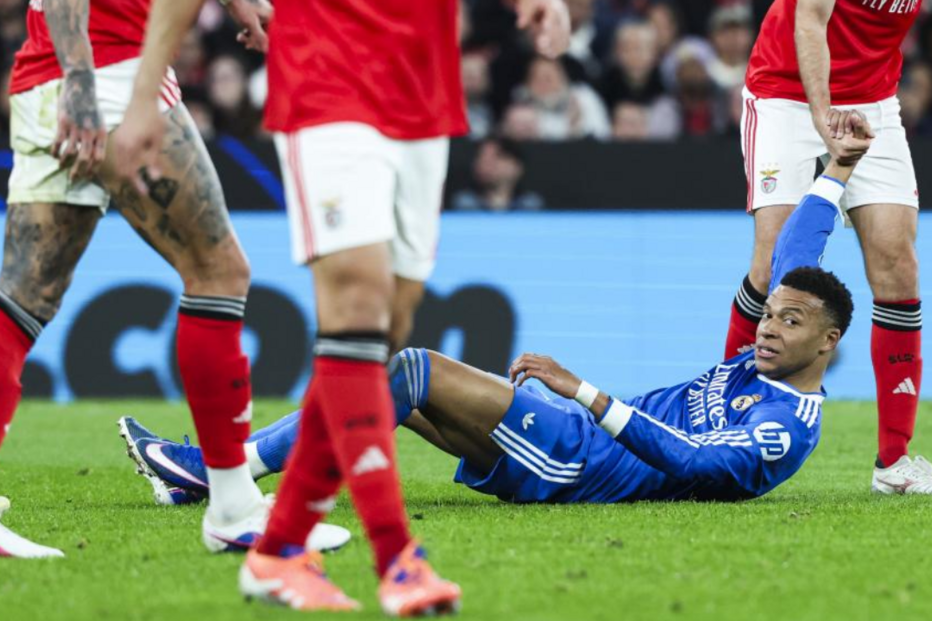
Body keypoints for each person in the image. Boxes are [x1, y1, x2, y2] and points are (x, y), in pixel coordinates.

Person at [117, 114, 877, 515]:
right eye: (771, 316)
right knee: (394, 386)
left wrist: (582, 391)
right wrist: (837, 171)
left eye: (789, 322)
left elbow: (693, 462)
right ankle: (228, 477)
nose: (770, 327)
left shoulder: (783, 428)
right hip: (574, 444)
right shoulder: (771, 350)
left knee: (407, 370)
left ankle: (221, 472)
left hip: (580, 463)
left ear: (829, 343)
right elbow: (796, 257)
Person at [109, 0, 571, 613]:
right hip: (327, 74)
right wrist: (145, 91)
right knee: (356, 304)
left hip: (422, 87)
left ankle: (275, 551)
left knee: (386, 333)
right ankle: (397, 555)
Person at [0, 0, 343, 559]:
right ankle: (234, 508)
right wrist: (83, 79)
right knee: (219, 272)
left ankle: (235, 505)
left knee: (22, 299)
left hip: (53, 73)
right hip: (107, 73)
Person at [731, 0, 931, 493]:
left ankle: (893, 462)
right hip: (787, 94)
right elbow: (810, 19)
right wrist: (824, 119)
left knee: (898, 266)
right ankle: (726, 431)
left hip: (873, 101)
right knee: (776, 265)